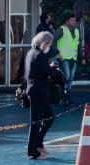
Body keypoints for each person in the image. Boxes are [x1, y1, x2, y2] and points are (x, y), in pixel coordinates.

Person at [24, 31, 60, 160]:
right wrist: (54, 68)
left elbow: (39, 69)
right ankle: (32, 151)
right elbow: (48, 71)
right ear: (44, 43)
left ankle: (38, 144)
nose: (48, 47)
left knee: (49, 117)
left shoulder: (30, 53)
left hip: (37, 91)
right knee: (36, 122)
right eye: (48, 44)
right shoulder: (38, 55)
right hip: (38, 92)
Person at [53, 14, 84, 106]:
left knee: (70, 79)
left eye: (74, 20)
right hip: (64, 58)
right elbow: (53, 40)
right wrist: (57, 53)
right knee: (66, 78)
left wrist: (82, 58)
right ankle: (63, 98)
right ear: (67, 21)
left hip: (73, 58)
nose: (74, 22)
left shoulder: (77, 31)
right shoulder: (61, 29)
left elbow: (78, 46)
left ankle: (67, 98)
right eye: (72, 20)